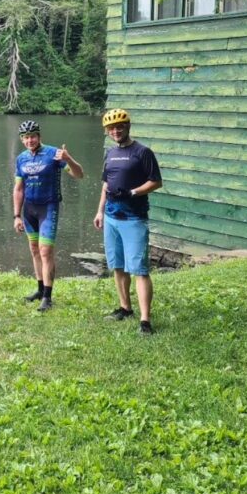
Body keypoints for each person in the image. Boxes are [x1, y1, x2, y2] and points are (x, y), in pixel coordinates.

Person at [92, 109, 163, 335]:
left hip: (133, 218)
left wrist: (133, 192)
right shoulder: (110, 154)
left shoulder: (143, 152)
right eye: (111, 128)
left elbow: (156, 182)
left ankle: (145, 321)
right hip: (111, 217)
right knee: (118, 265)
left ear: (128, 126)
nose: (115, 131)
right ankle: (125, 307)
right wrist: (100, 211)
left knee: (140, 269)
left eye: (119, 126)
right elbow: (106, 184)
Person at [12, 120, 84, 311]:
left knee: (45, 251)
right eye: (26, 137)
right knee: (34, 249)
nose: (30, 140)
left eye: (33, 136)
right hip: (29, 210)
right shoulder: (21, 159)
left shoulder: (54, 154)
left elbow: (79, 174)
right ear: (22, 139)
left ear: (39, 136)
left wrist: (68, 159)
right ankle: (39, 289)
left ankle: (48, 296)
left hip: (48, 208)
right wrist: (16, 215)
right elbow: (18, 189)